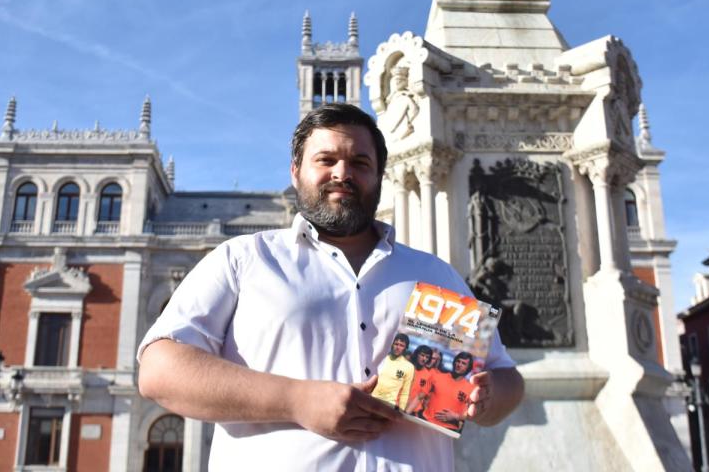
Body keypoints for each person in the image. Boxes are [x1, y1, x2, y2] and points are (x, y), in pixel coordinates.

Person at [137, 103, 524, 471]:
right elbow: (159, 370)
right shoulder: (244, 259)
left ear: (380, 176)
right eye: (326, 160)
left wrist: (488, 396)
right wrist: (296, 400)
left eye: (360, 162)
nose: (343, 173)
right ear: (295, 171)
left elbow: (506, 377)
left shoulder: (434, 273)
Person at [423, 352, 476, 432]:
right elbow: (419, 397)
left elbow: (473, 417)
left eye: (463, 363)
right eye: (458, 361)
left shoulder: (471, 389)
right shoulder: (437, 377)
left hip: (448, 430)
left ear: (468, 368)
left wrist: (456, 417)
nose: (459, 365)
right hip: (426, 422)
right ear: (454, 362)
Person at [372, 334, 416, 410]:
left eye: (401, 345)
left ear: (405, 348)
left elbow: (405, 392)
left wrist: (401, 410)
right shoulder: (381, 359)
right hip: (371, 398)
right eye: (396, 344)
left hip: (388, 404)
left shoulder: (409, 367)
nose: (398, 347)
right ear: (392, 344)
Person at [405, 345, 435, 417]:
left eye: (427, 357)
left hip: (411, 411)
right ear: (417, 354)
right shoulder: (407, 367)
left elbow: (420, 397)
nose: (424, 359)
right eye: (422, 355)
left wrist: (406, 413)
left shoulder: (428, 376)